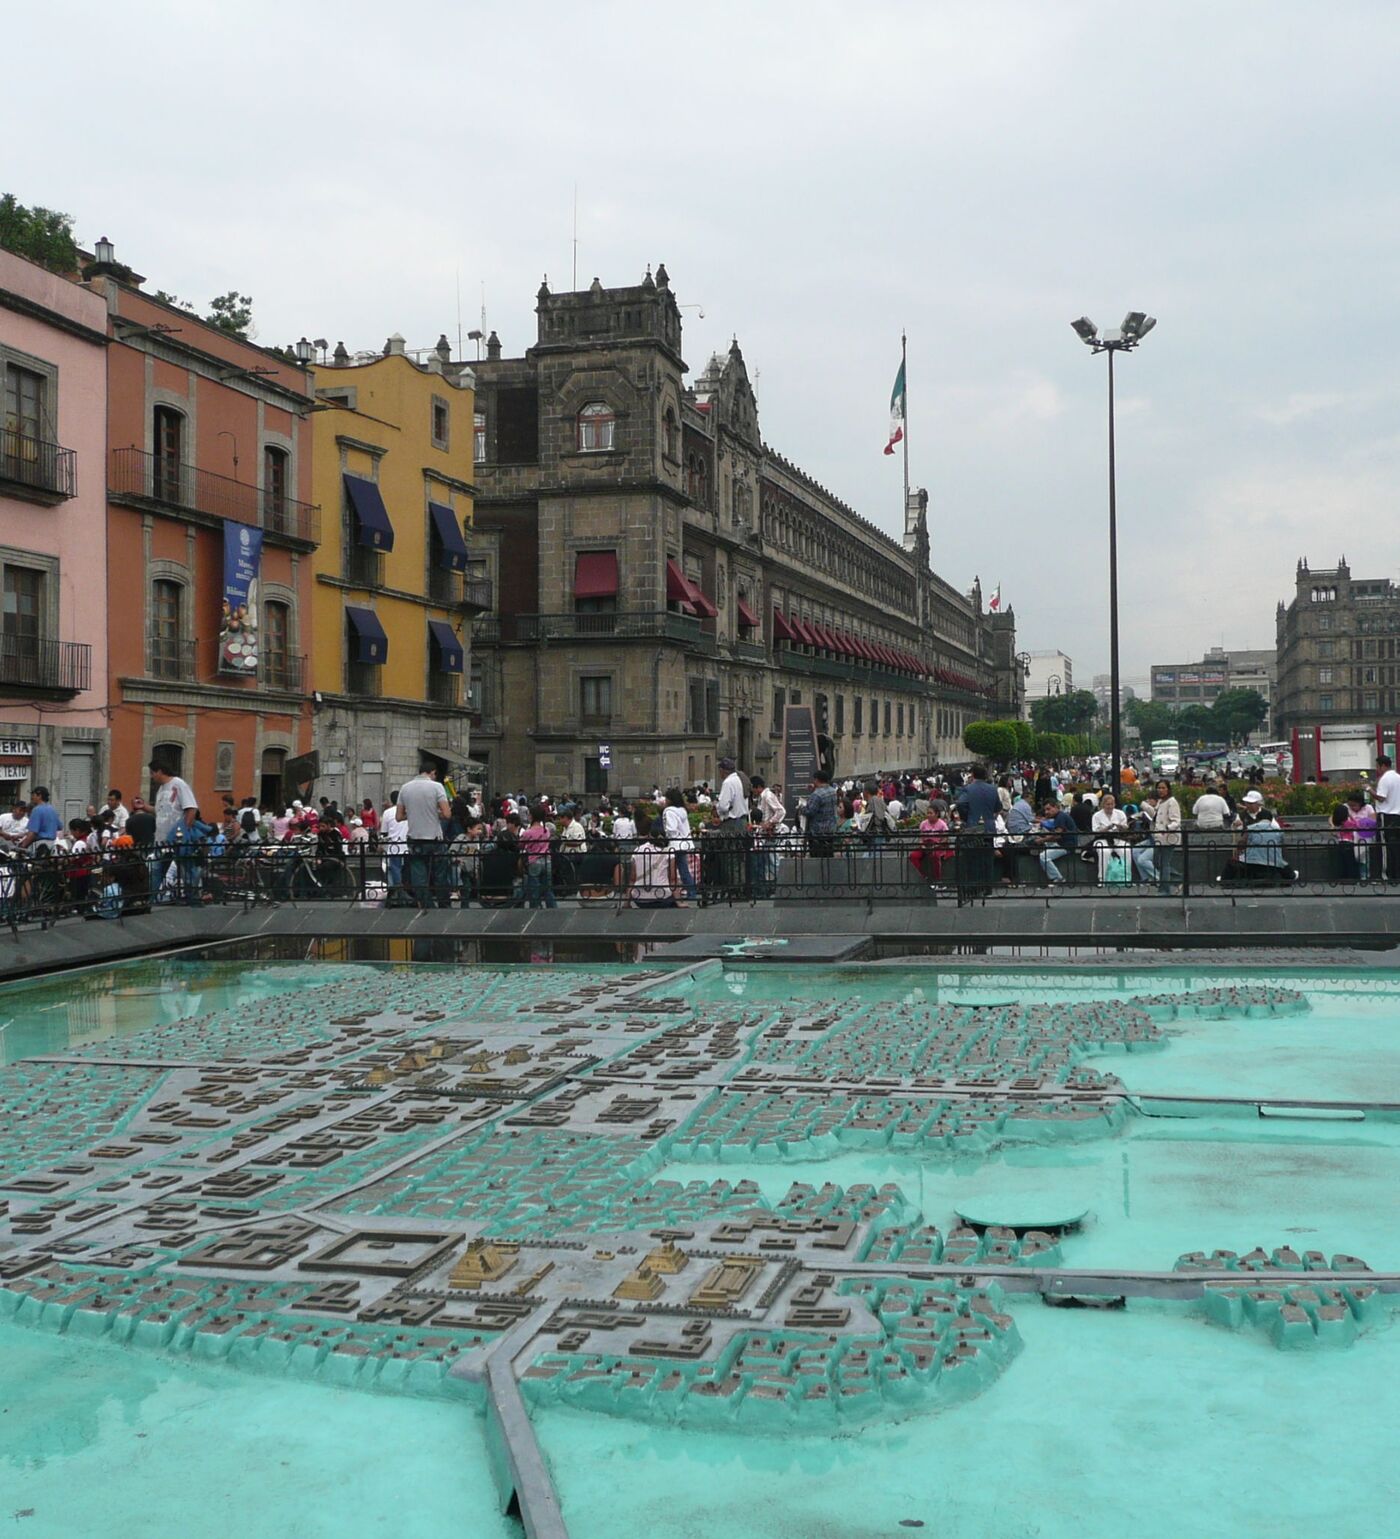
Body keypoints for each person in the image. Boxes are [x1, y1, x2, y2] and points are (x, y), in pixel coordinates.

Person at [396, 765, 451, 908]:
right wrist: (435, 813)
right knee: (440, 875)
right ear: (432, 772)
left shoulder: (405, 788)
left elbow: (399, 816)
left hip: (415, 839)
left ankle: (427, 906)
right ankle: (444, 907)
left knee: (419, 877)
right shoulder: (437, 787)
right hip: (434, 838)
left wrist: (414, 814)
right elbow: (447, 814)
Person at [628, 812, 680, 907]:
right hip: (662, 897)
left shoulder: (638, 850)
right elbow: (673, 878)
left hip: (640, 898)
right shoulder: (668, 852)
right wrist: (679, 902)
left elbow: (632, 878)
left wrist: (626, 902)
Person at [660, 788, 697, 899]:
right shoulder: (682, 810)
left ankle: (672, 892)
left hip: (675, 843)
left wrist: (667, 834)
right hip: (684, 842)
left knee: (670, 869)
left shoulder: (669, 811)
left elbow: (671, 828)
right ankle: (691, 891)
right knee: (683, 868)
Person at [520, 801, 557, 909]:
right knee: (548, 889)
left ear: (532, 816)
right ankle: (552, 908)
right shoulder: (546, 831)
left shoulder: (528, 832)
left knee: (534, 889)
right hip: (547, 860)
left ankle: (535, 908)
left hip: (534, 860)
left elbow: (521, 845)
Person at [1034, 798, 1078, 885]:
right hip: (1063, 843)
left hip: (1066, 845)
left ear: (1056, 807)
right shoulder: (1059, 816)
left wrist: (1042, 840)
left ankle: (1058, 878)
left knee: (1043, 856)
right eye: (1045, 810)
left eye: (1048, 809)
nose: (1046, 812)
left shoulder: (1060, 817)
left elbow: (1057, 835)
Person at [1090, 793, 1130, 885]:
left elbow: (1126, 827)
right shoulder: (1096, 815)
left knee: (1126, 850)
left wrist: (1120, 826)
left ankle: (1126, 878)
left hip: (1117, 838)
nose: (1110, 806)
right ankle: (1102, 879)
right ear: (1103, 804)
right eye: (1107, 804)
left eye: (1112, 804)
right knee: (1105, 851)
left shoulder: (1120, 813)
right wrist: (1107, 828)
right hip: (1102, 838)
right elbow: (1095, 831)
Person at [911, 799, 953, 885]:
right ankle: (922, 876)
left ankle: (938, 880)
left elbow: (945, 838)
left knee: (935, 856)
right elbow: (921, 837)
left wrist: (937, 845)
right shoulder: (923, 823)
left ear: (936, 814)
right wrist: (922, 845)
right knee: (913, 856)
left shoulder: (942, 824)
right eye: (928, 813)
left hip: (938, 846)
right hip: (926, 845)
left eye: (931, 813)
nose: (929, 815)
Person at [1152, 780, 1183, 892]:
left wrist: (1168, 828)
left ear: (1168, 789)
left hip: (1168, 837)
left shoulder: (1172, 802)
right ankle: (1178, 879)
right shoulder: (1160, 802)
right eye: (1159, 788)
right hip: (1158, 837)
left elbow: (1176, 820)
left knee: (1165, 862)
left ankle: (1164, 889)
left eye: (1163, 788)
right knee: (1156, 861)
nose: (1160, 790)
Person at [1374, 755, 1400, 882]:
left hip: (1386, 814)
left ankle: (1385, 875)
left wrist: (1369, 790)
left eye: (1377, 766)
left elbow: (1381, 797)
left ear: (1383, 765)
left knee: (1384, 846)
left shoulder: (1384, 779)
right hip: (1397, 814)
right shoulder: (1398, 777)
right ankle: (1396, 873)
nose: (1377, 769)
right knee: (1396, 845)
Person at [804, 770, 839, 859]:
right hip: (831, 829)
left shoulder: (816, 795)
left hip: (818, 832)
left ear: (816, 780)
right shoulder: (833, 791)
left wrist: (801, 808)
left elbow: (810, 812)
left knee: (817, 857)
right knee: (828, 855)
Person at [1346, 792, 1378, 882]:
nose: (1352, 807)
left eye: (1354, 805)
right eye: (1350, 805)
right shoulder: (1346, 808)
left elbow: (1373, 821)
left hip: (1365, 834)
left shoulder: (1368, 808)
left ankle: (1366, 874)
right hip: (1352, 834)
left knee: (1365, 854)